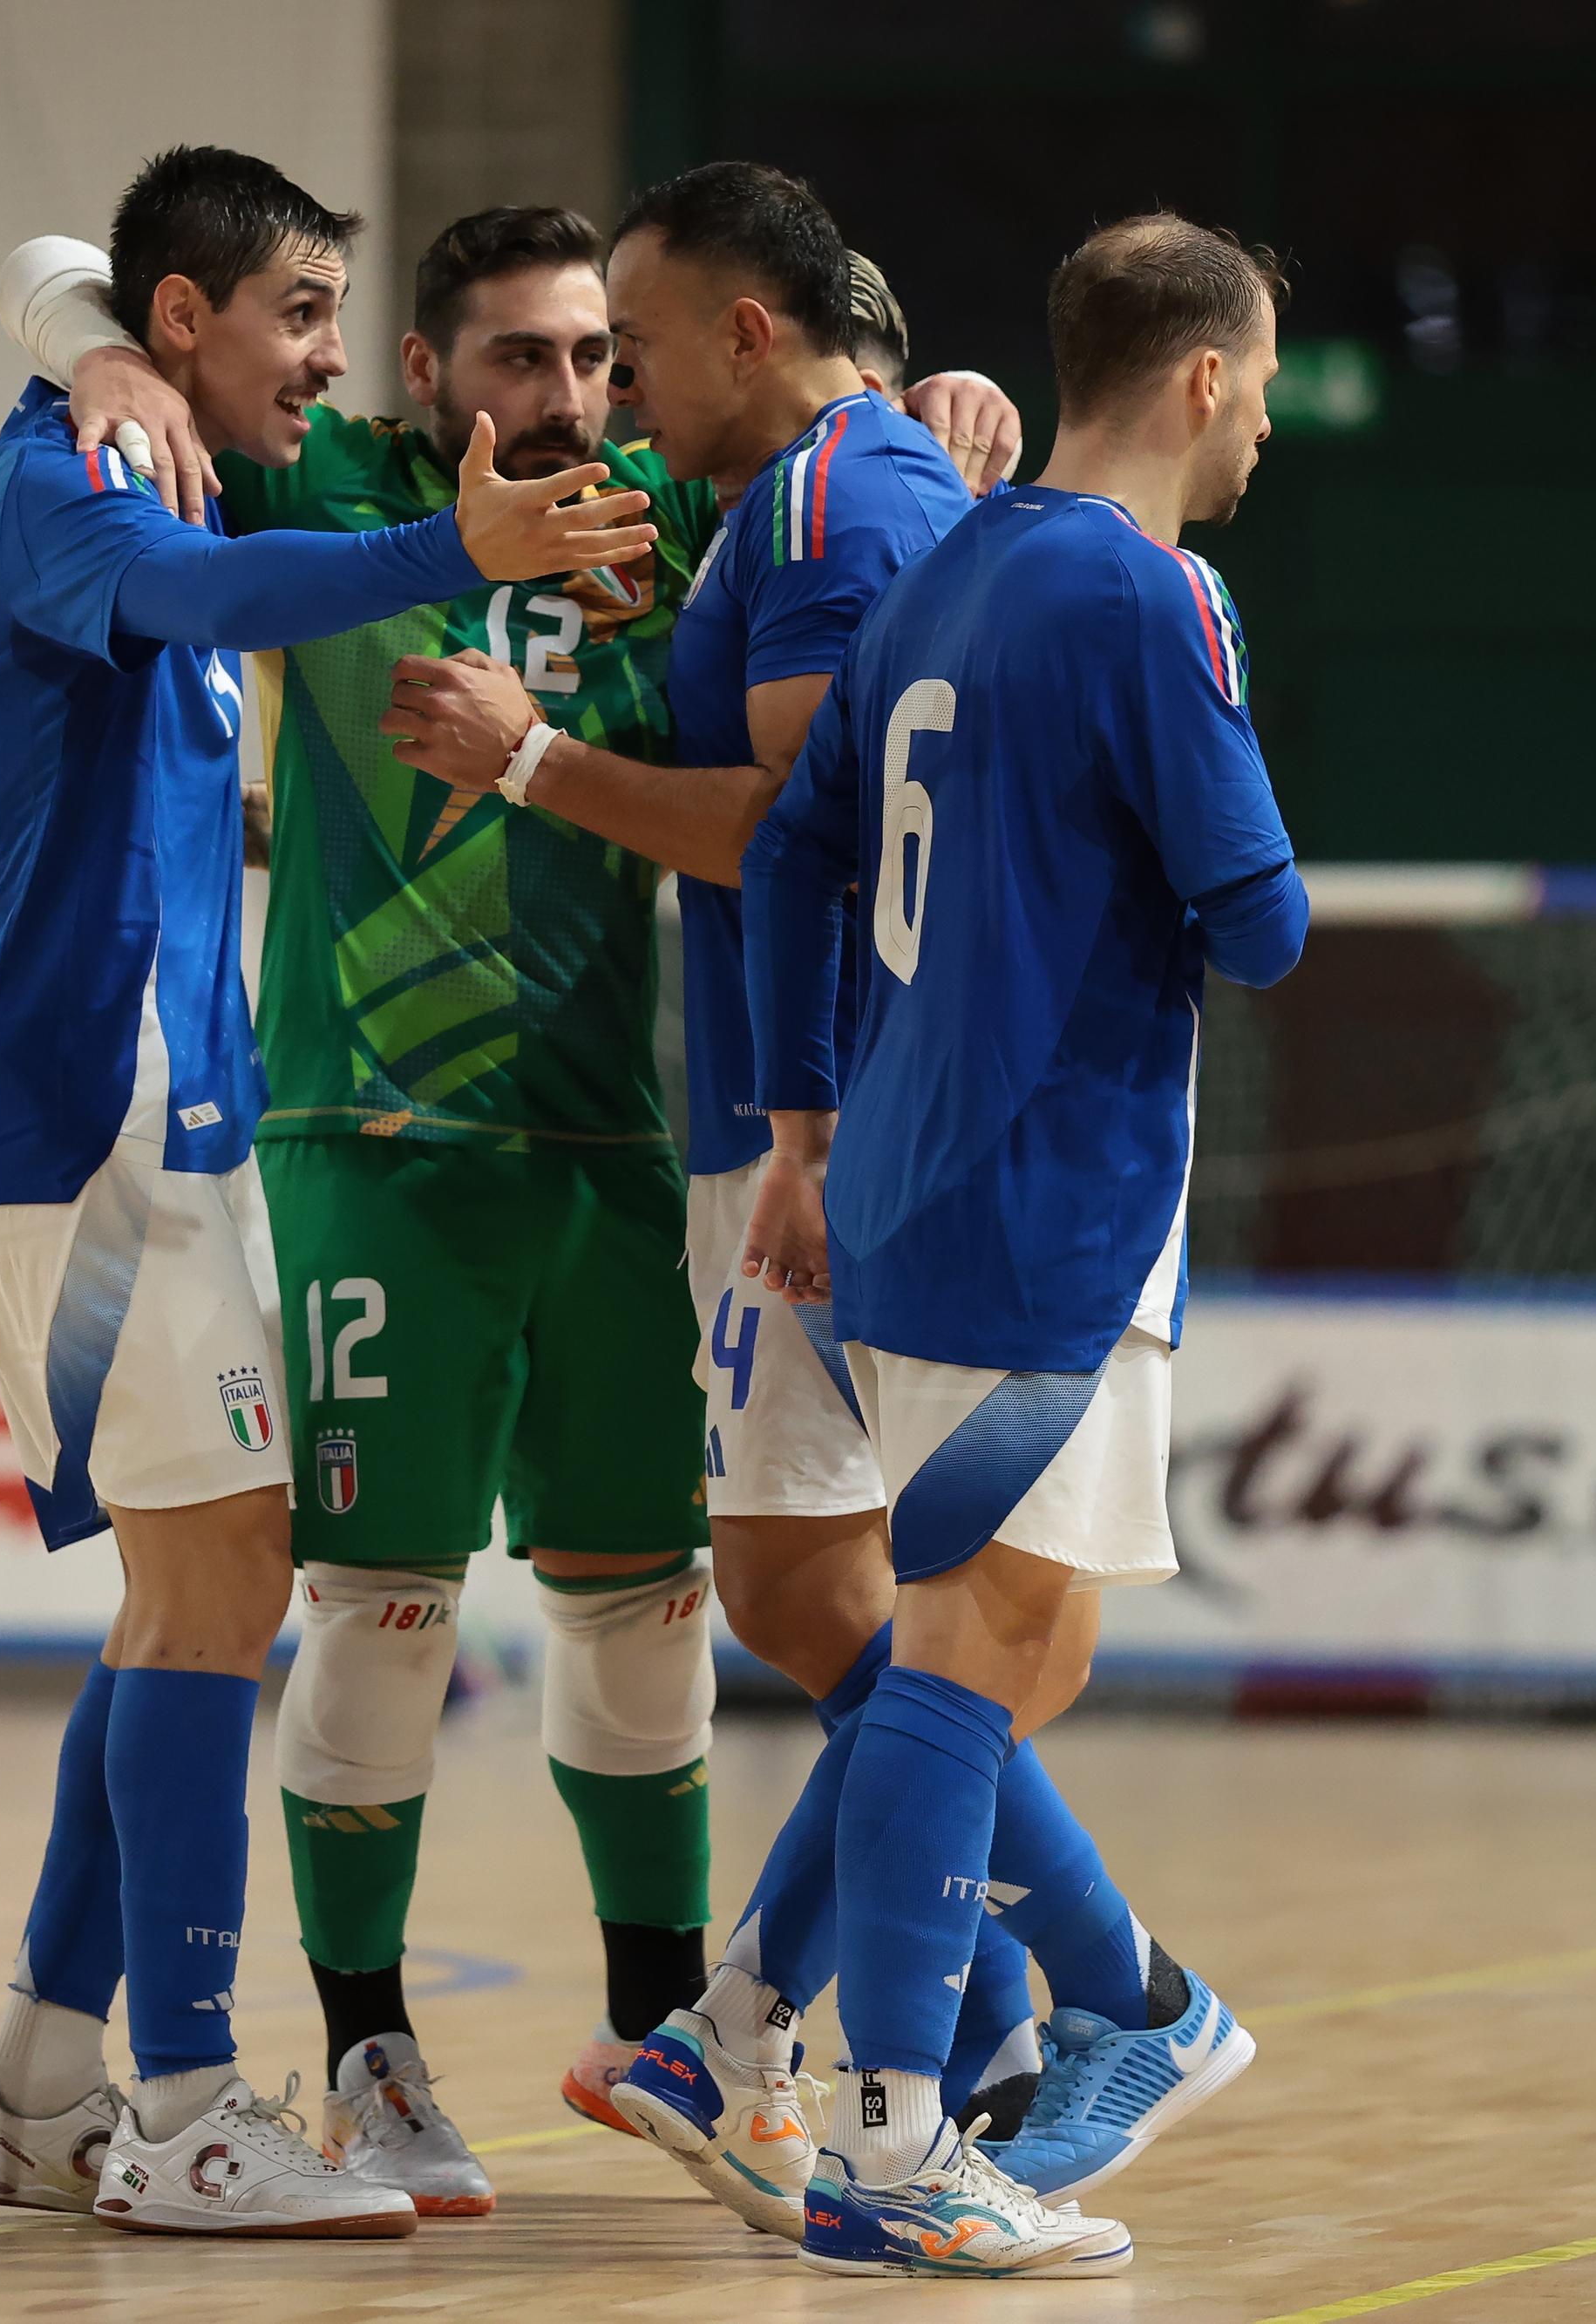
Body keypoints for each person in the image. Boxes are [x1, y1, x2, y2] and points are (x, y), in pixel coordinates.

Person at [0, 200, 1020, 2209]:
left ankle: (671, 2038)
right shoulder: (338, 489)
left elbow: (831, 463)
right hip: (373, 1153)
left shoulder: (676, 515)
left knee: (649, 1617)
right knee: (377, 1617)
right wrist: (88, 340)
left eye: (595, 357)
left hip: (611, 1157)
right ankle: (367, 2059)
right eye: (520, 358)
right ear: (421, 374)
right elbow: (95, 296)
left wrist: (946, 388)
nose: (568, 396)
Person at [0, 146, 653, 2239]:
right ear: (183, 323)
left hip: (178, 1115)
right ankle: (178, 2104)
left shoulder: (145, 441)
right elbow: (210, 603)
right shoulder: (67, 486)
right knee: (222, 1580)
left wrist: (79, 323)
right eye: (302, 316)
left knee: (196, 1590)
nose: (327, 361)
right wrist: (447, 543)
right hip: (88, 1112)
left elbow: (52, 268)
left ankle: (39, 2085)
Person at [386, 160, 1064, 2231]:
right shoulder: (785, 500)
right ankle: (958, 1997)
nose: (615, 391)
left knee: (955, 1623)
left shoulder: (835, 501)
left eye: (639, 347)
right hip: (795, 1127)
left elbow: (797, 830)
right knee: (802, 1594)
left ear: (748, 334)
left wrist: (531, 761)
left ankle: (1035, 1990)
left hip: (841, 1134)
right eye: (563, 355)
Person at [728, 211, 1304, 2279]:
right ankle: (889, 2134)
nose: (1261, 430)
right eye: (1263, 388)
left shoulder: (940, 565)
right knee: (972, 1662)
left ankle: (773, 2032)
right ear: (1204, 377)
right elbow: (1260, 919)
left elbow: (784, 854)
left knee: (989, 1654)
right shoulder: (1144, 591)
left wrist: (804, 1125)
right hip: (1045, 1188)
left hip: (897, 1183)